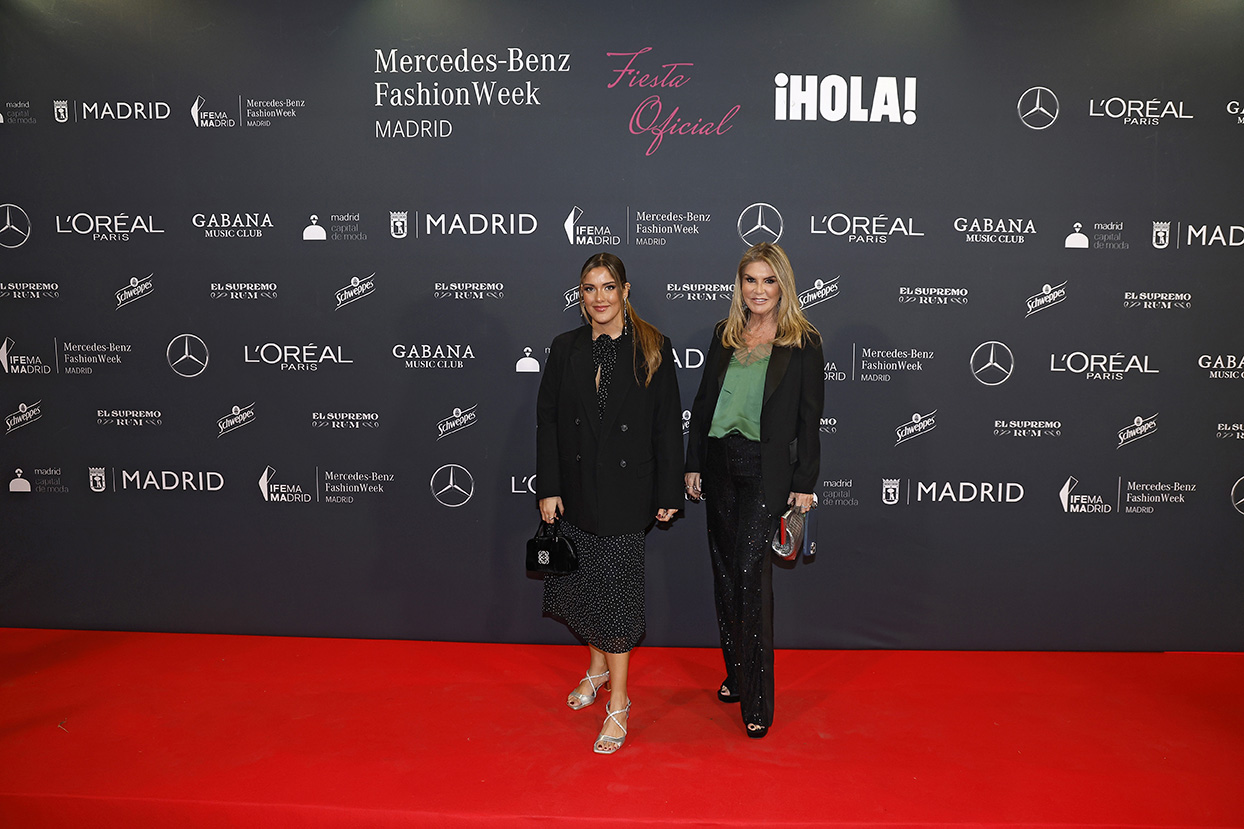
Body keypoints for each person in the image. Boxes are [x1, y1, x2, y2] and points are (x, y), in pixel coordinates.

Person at [536, 252, 684, 755]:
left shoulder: (653, 347)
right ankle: (597, 668)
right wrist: (549, 487)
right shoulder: (565, 348)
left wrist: (668, 492)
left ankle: (619, 701)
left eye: (607, 287)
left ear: (625, 291)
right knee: (585, 588)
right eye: (589, 288)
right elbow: (549, 423)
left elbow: (667, 425)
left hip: (627, 492)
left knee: (617, 596)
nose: (598, 297)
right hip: (577, 490)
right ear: (580, 295)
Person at [684, 242, 824, 739]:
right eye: (750, 280)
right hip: (719, 463)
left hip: (766, 471)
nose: (758, 290)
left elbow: (810, 418)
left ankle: (759, 700)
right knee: (725, 574)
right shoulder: (724, 334)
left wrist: (804, 483)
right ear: (739, 285)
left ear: (783, 285)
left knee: (750, 577)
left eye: (768, 280)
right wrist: (693, 462)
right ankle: (737, 675)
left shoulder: (803, 341)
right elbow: (704, 401)